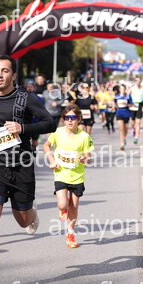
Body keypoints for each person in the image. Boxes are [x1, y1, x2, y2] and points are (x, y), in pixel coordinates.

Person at [0, 54, 57, 284]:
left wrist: (23, 128)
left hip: (21, 166)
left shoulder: (26, 98)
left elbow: (50, 123)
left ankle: (31, 213)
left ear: (13, 75)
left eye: (5, 71)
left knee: (23, 220)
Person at [43, 105, 94, 249]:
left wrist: (85, 158)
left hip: (77, 176)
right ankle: (62, 208)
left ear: (79, 119)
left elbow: (89, 158)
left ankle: (70, 234)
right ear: (63, 119)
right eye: (66, 118)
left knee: (74, 206)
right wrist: (52, 161)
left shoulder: (84, 137)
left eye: (73, 118)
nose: (69, 121)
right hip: (61, 174)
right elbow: (46, 146)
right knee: (63, 204)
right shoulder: (58, 132)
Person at [114, 84, 133, 150]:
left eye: (123, 89)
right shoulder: (117, 96)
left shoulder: (128, 96)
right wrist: (115, 106)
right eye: (121, 89)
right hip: (119, 113)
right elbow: (115, 103)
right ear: (119, 89)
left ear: (125, 89)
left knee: (126, 129)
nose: (122, 90)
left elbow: (131, 104)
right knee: (121, 128)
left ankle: (124, 138)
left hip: (126, 113)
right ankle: (122, 144)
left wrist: (126, 104)